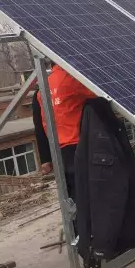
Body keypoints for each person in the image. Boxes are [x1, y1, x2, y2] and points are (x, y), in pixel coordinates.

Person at [37, 62, 96, 199]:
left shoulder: (42, 89)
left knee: (72, 195)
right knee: (89, 194)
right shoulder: (72, 79)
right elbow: (100, 94)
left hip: (58, 150)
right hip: (78, 145)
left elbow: (42, 123)